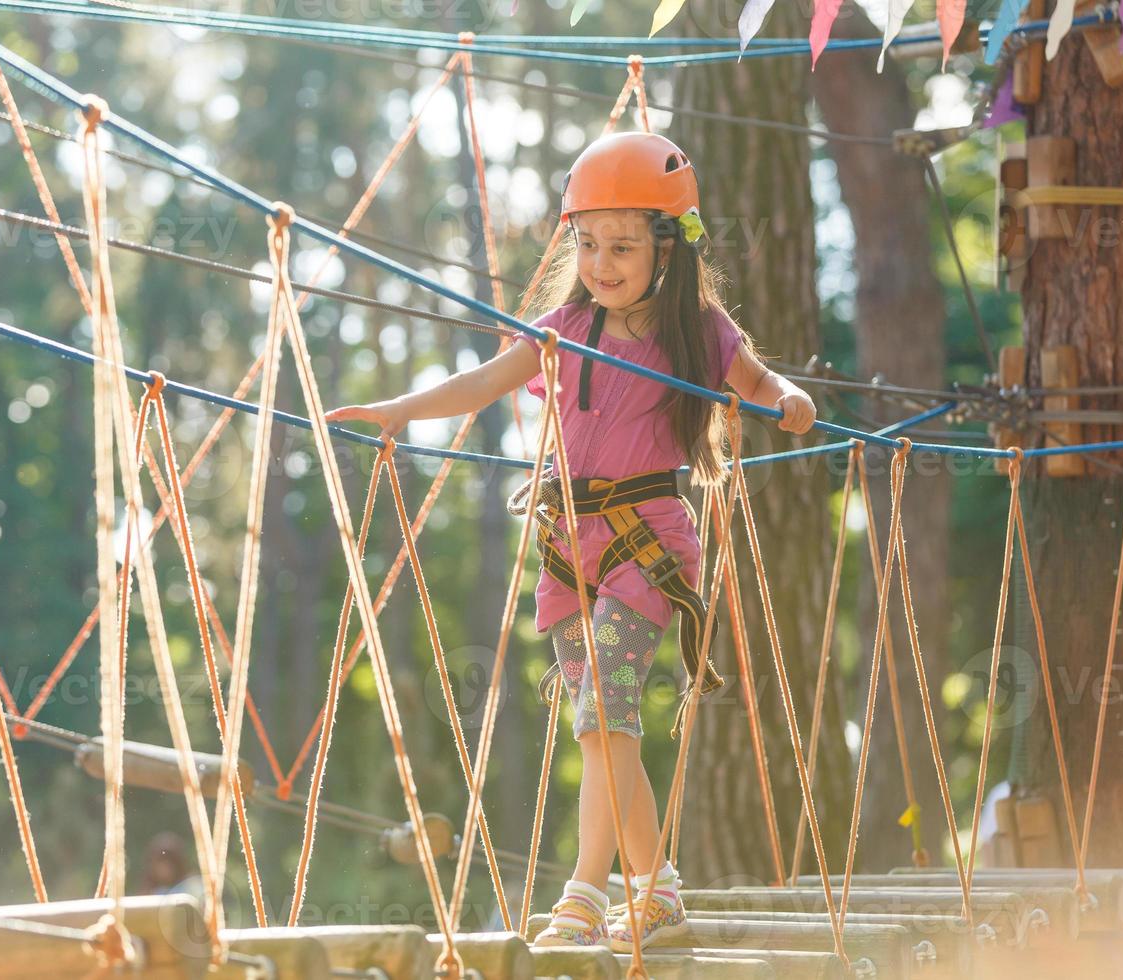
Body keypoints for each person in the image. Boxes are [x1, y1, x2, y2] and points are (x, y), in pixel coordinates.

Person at [325, 131, 816, 951]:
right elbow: (483, 382)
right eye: (587, 243)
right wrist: (398, 413)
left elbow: (762, 384)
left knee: (604, 715)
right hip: (569, 550)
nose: (602, 262)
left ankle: (585, 891)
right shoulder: (562, 327)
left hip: (647, 540)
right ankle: (654, 887)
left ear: (671, 246)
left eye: (622, 245)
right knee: (601, 727)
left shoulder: (699, 330)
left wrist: (790, 399)